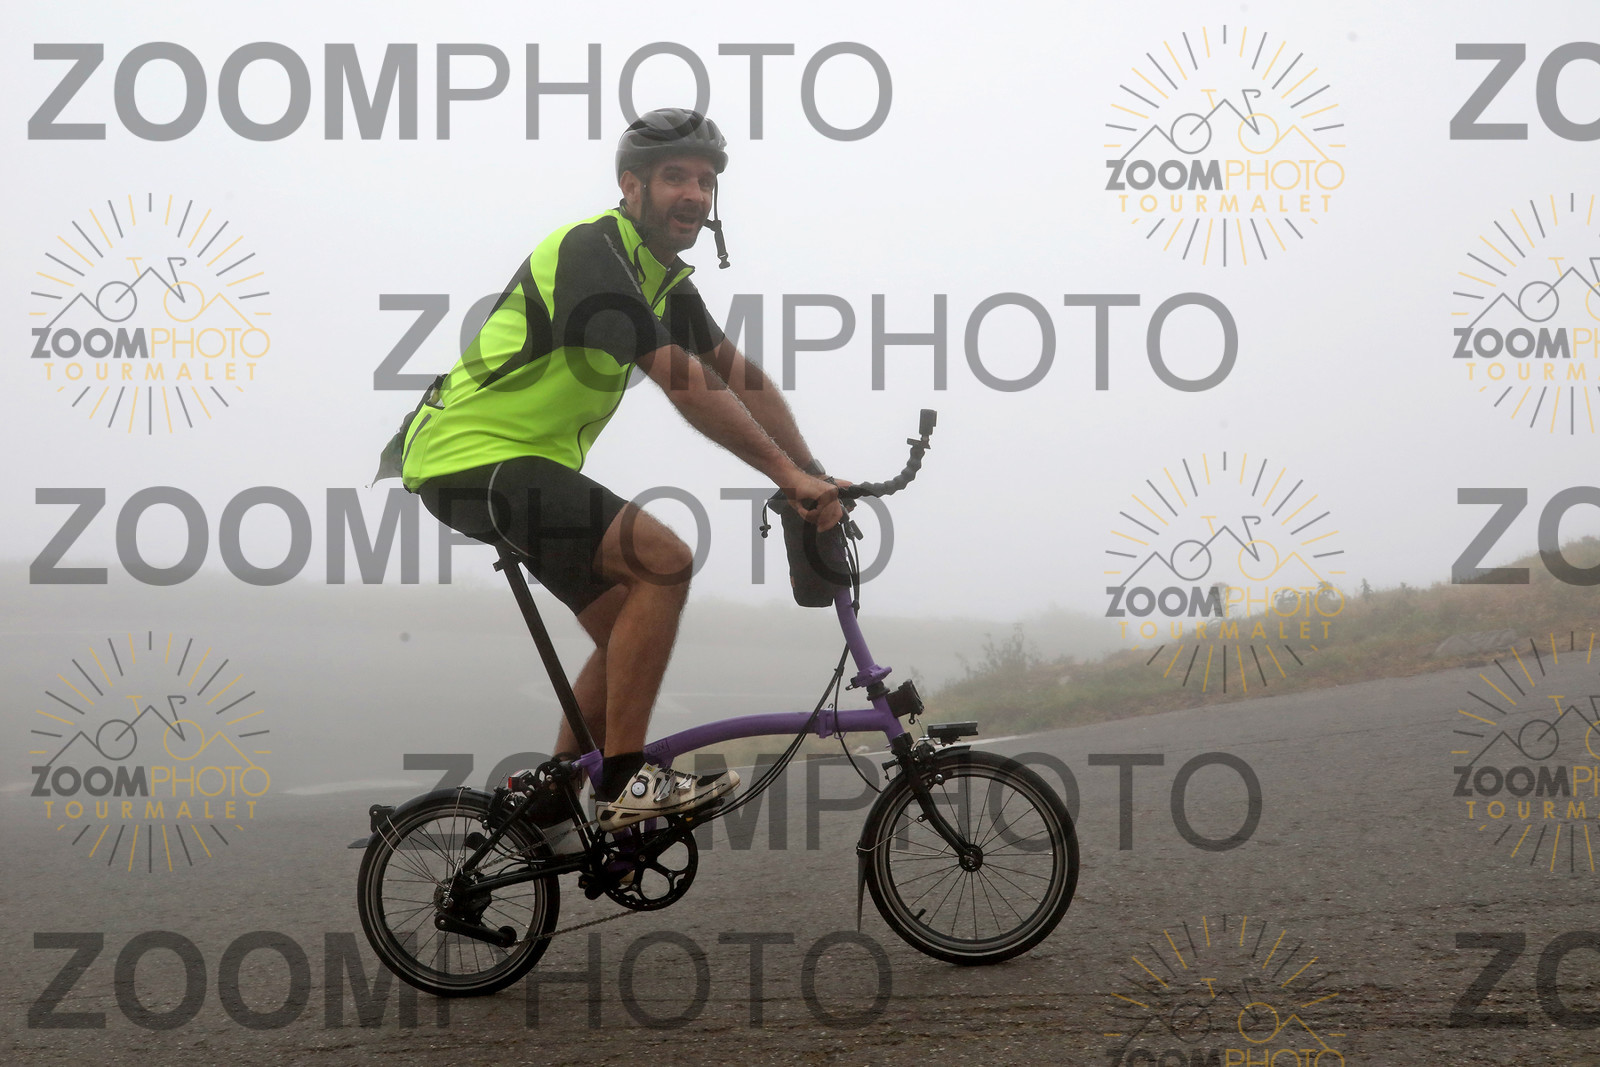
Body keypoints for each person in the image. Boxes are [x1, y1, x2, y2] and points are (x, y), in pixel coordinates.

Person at [394, 108, 842, 832]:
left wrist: (814, 470)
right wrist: (788, 479)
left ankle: (547, 806)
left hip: (514, 465)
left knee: (625, 634)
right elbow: (682, 381)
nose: (694, 194)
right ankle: (626, 784)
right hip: (471, 454)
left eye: (706, 181)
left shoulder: (660, 278)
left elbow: (739, 376)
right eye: (675, 178)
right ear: (631, 186)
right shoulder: (591, 253)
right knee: (663, 561)